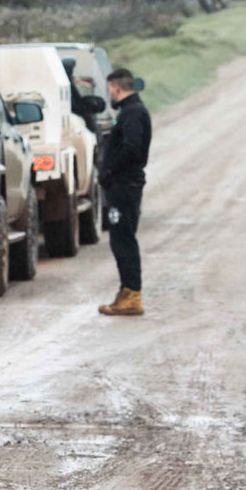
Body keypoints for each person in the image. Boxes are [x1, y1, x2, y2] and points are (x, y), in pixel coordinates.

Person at [97, 68, 151, 316]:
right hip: (122, 185)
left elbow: (131, 149)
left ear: (117, 88)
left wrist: (110, 172)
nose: (109, 94)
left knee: (124, 240)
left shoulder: (132, 113)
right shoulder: (129, 112)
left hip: (125, 186)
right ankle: (127, 292)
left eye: (110, 89)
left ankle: (132, 295)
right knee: (120, 240)